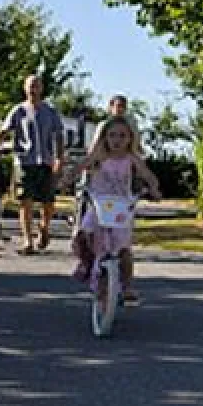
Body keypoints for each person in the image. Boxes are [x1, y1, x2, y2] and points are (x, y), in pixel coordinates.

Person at [64, 115, 161, 304]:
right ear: (105, 137)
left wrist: (154, 189)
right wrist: (67, 179)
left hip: (121, 207)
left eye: (122, 136)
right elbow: (81, 166)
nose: (117, 140)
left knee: (123, 249)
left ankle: (127, 287)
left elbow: (148, 176)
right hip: (99, 203)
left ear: (130, 139)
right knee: (83, 234)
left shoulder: (132, 159)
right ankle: (86, 263)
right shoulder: (100, 156)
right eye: (113, 135)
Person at [0, 74, 65, 254]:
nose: (33, 89)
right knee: (26, 200)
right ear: (25, 88)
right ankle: (27, 240)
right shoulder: (18, 111)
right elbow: (4, 130)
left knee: (48, 201)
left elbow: (59, 136)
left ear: (42, 89)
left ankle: (44, 227)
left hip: (45, 161)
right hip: (25, 160)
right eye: (30, 86)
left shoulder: (50, 111)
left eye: (37, 86)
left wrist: (59, 158)